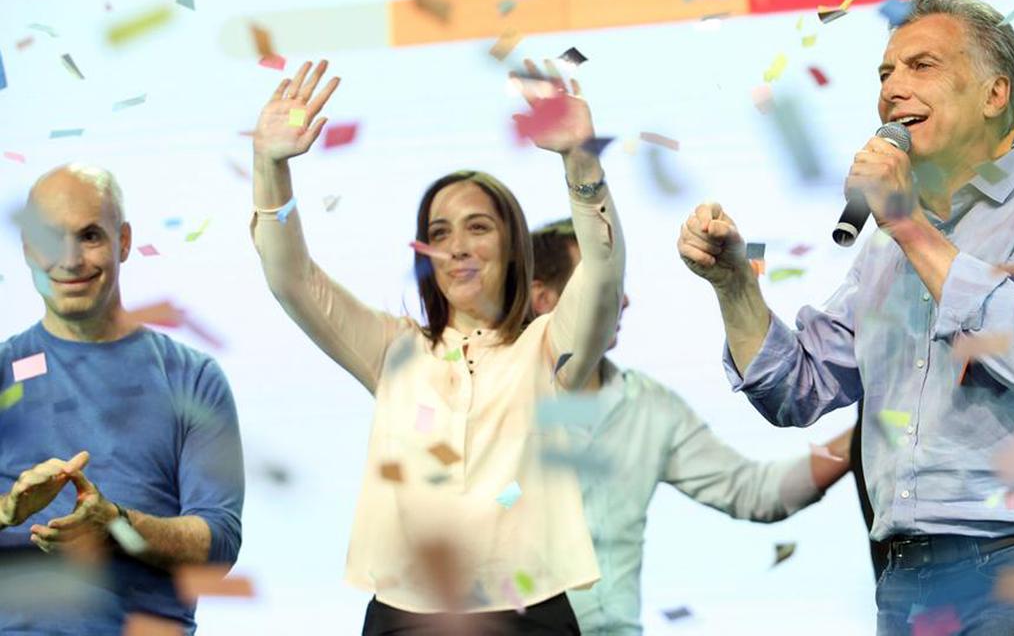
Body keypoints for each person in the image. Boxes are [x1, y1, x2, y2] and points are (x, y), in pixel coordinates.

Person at [678, 0, 1014, 633]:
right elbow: (798, 389)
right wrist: (733, 286)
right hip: (904, 578)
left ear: (994, 94)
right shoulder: (889, 241)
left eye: (921, 66)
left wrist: (907, 225)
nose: (892, 89)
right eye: (885, 73)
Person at [249, 59, 625, 634]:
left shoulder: (548, 348)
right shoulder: (392, 350)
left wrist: (581, 160)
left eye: (479, 227)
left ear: (513, 246)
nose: (458, 247)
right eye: (440, 233)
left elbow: (602, 271)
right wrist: (269, 166)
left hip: (530, 615)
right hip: (405, 617)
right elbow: (290, 278)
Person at [529, 218, 853, 635]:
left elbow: (754, 492)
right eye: (603, 284)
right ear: (544, 299)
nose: (624, 300)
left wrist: (866, 437)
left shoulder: (647, 406)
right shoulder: (493, 399)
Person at [0, 165, 245, 635]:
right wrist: (6, 510)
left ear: (124, 241)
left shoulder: (192, 379)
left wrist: (115, 526)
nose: (70, 260)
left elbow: (219, 545)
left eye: (90, 236)